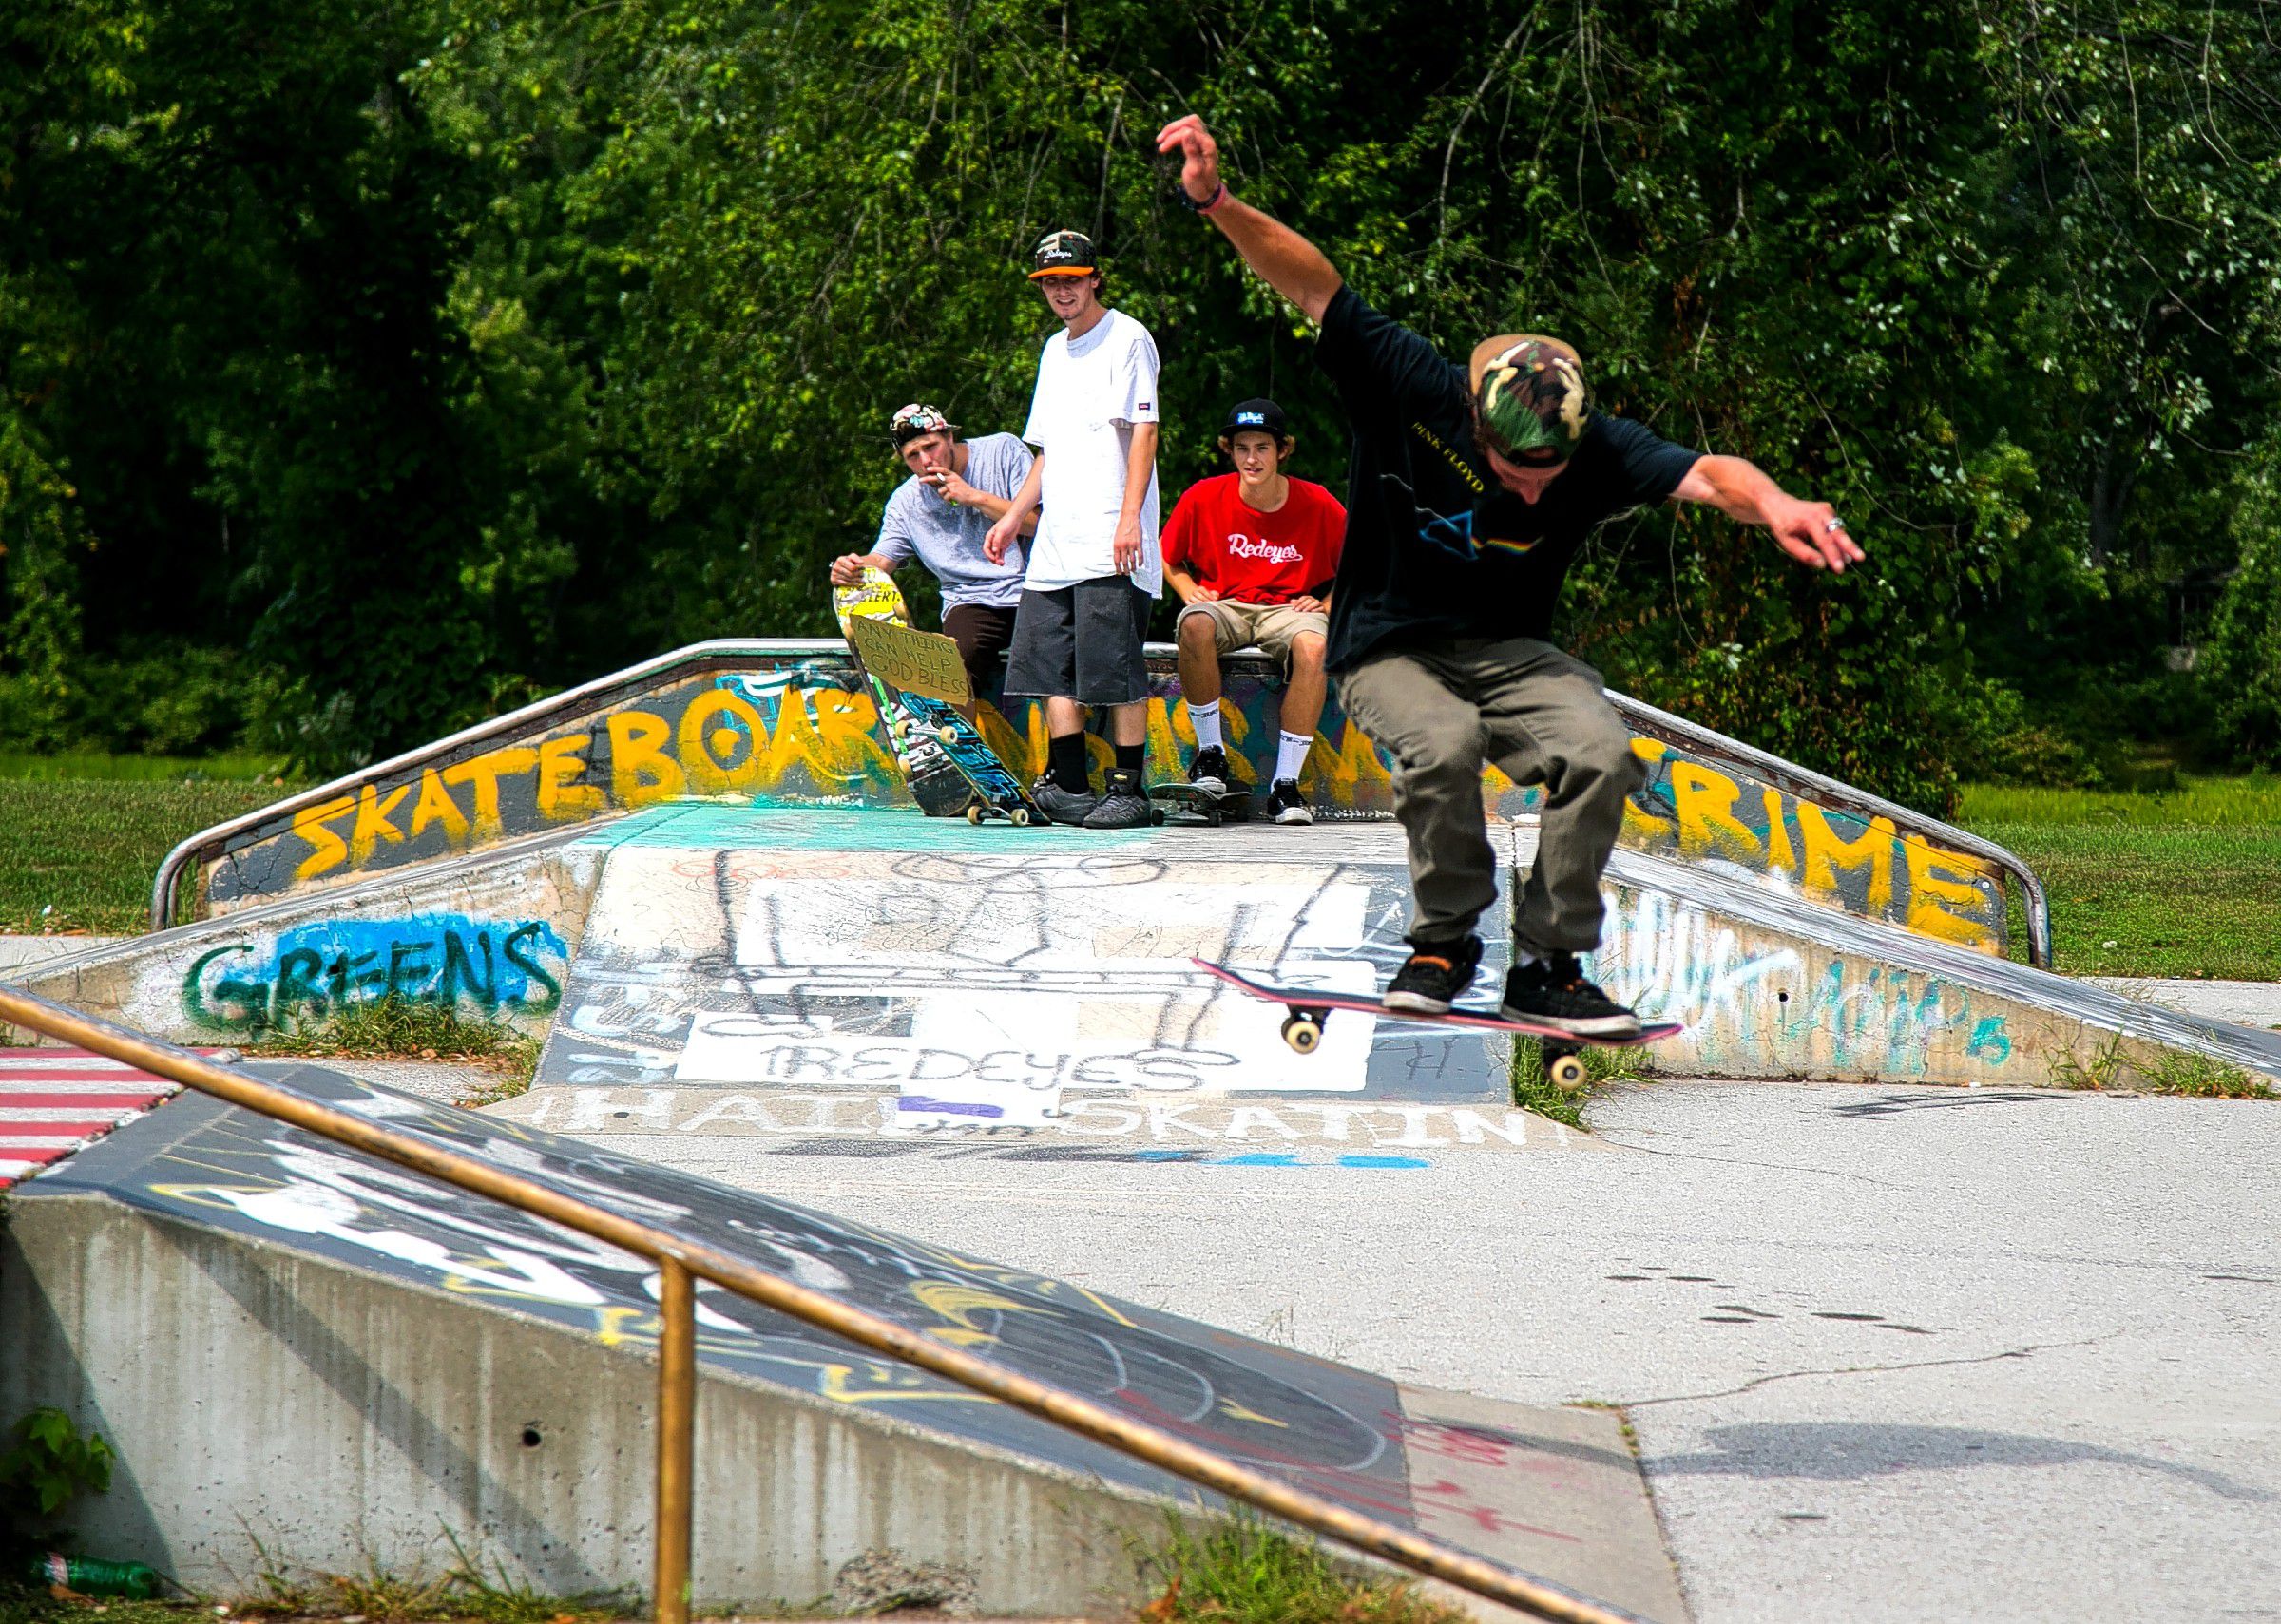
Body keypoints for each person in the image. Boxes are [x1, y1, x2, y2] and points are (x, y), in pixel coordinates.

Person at [1155, 112, 1867, 1035]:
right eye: (1511, 470)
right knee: (1444, 743)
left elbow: (1707, 474)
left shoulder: (1601, 446)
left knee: (1601, 751)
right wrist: (1215, 200)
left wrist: (1776, 503)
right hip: (1389, 646)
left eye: (1550, 475)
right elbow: (1314, 286)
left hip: (1514, 653)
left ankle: (1547, 962)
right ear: (1477, 422)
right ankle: (1443, 942)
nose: (1531, 492)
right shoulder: (1412, 384)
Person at [985, 230, 1162, 829]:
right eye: (1051, 283)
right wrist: (1012, 516)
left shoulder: (1128, 337)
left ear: (1094, 279)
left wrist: (1129, 519)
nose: (1062, 292)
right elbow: (1047, 449)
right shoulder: (1054, 352)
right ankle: (1069, 785)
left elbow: (1144, 432)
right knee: (1047, 666)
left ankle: (1129, 789)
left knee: (1113, 670)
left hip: (1112, 538)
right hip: (1057, 543)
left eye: (1072, 280)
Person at [1161, 397, 1346, 825]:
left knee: (1316, 647)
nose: (1252, 458)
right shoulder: (1203, 496)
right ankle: (1211, 758)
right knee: (1194, 625)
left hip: (1289, 608)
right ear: (1230, 450)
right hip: (1226, 602)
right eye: (1242, 447)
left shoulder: (1317, 502)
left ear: (1282, 450)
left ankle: (1284, 786)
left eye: (1262, 447)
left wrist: (1326, 603)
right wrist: (1190, 591)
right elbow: (1169, 558)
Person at [830, 403, 1035, 717]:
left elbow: (1041, 524)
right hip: (972, 601)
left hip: (1036, 586)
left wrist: (973, 496)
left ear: (949, 437)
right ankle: (957, 751)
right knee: (946, 667)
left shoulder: (1002, 451)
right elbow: (881, 562)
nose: (926, 461)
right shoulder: (905, 502)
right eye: (913, 456)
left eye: (931, 447)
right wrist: (851, 568)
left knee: (1052, 665)